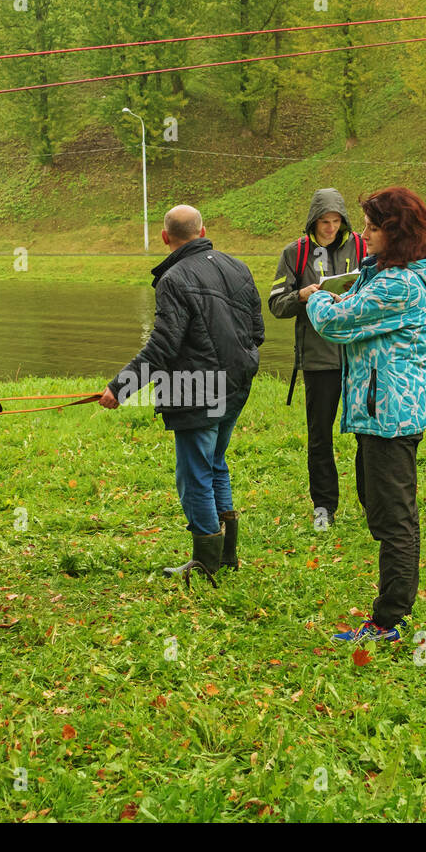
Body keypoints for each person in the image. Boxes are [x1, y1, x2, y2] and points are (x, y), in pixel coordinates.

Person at [99, 205, 265, 582]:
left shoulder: (173, 279)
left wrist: (120, 387)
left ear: (164, 238)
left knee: (194, 475)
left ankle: (208, 561)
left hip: (198, 391)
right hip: (236, 385)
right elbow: (257, 332)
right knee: (215, 465)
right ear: (204, 229)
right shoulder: (238, 267)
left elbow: (162, 345)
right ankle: (226, 556)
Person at [307, 187, 426, 644]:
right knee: (381, 508)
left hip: (391, 417)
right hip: (376, 412)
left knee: (395, 520)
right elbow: (352, 308)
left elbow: (335, 322)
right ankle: (392, 612)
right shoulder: (385, 272)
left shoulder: (399, 285)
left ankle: (389, 622)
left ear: (395, 232)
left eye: (370, 226)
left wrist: (315, 297)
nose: (362, 234)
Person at [268, 188, 367, 527]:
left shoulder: (363, 246)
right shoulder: (295, 253)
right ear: (313, 220)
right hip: (318, 359)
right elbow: (276, 305)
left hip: (359, 357)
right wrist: (302, 295)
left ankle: (372, 503)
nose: (330, 228)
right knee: (320, 435)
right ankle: (324, 507)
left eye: (336, 221)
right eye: (324, 221)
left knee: (368, 433)